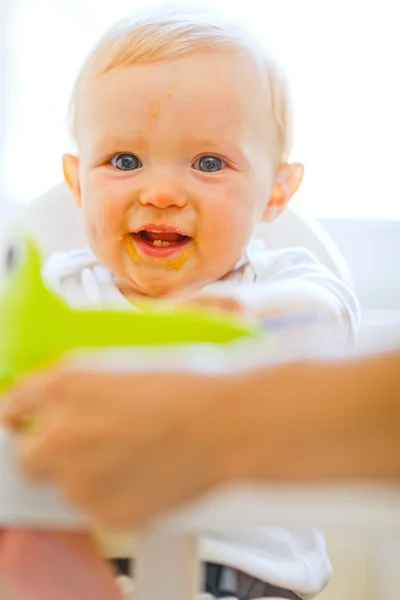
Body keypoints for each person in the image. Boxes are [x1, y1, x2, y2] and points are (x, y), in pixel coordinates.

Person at [2, 3, 361, 599]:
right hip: (83, 572)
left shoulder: (280, 285)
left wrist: (241, 320)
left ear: (275, 191)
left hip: (238, 582)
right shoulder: (59, 293)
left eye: (209, 163)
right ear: (77, 182)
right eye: (124, 161)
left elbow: (324, 321)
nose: (163, 192)